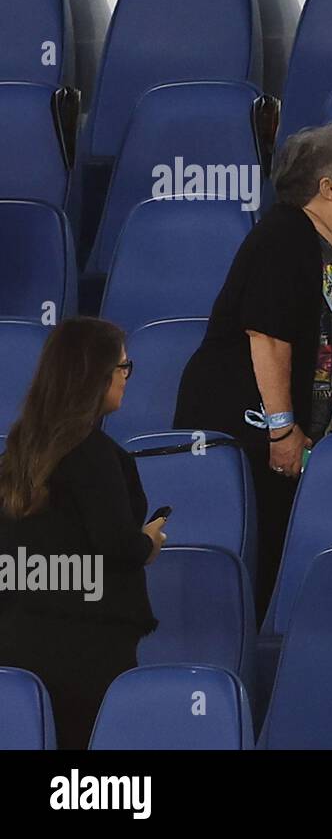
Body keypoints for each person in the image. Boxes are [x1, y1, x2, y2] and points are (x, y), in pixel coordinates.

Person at [174, 123, 332, 622]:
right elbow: (267, 338)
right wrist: (282, 428)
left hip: (325, 437)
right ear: (326, 187)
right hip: (256, 427)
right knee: (266, 552)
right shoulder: (284, 234)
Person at [0, 318, 168, 749]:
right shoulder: (93, 453)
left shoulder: (17, 449)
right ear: (97, 374)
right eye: (123, 367)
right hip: (89, 652)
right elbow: (115, 543)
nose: (126, 378)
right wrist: (147, 542)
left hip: (17, 642)